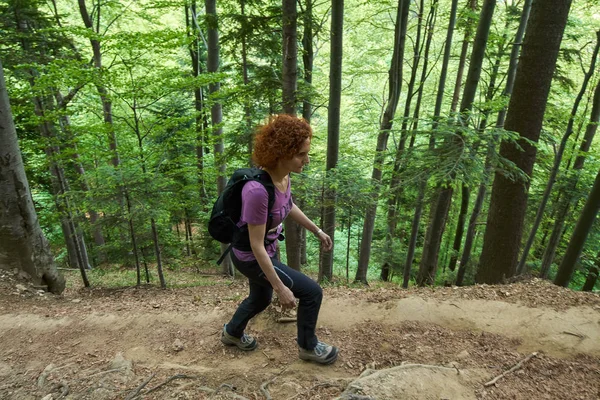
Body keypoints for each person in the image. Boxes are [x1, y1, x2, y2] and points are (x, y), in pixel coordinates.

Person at [221, 114, 339, 365]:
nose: (306, 160)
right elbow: (255, 245)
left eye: (306, 153)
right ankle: (308, 347)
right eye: (300, 154)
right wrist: (280, 287)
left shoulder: (283, 177)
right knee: (311, 293)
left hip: (266, 250)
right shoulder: (257, 191)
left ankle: (232, 333)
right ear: (281, 153)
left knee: (259, 299)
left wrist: (316, 230)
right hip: (251, 256)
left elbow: (288, 205)